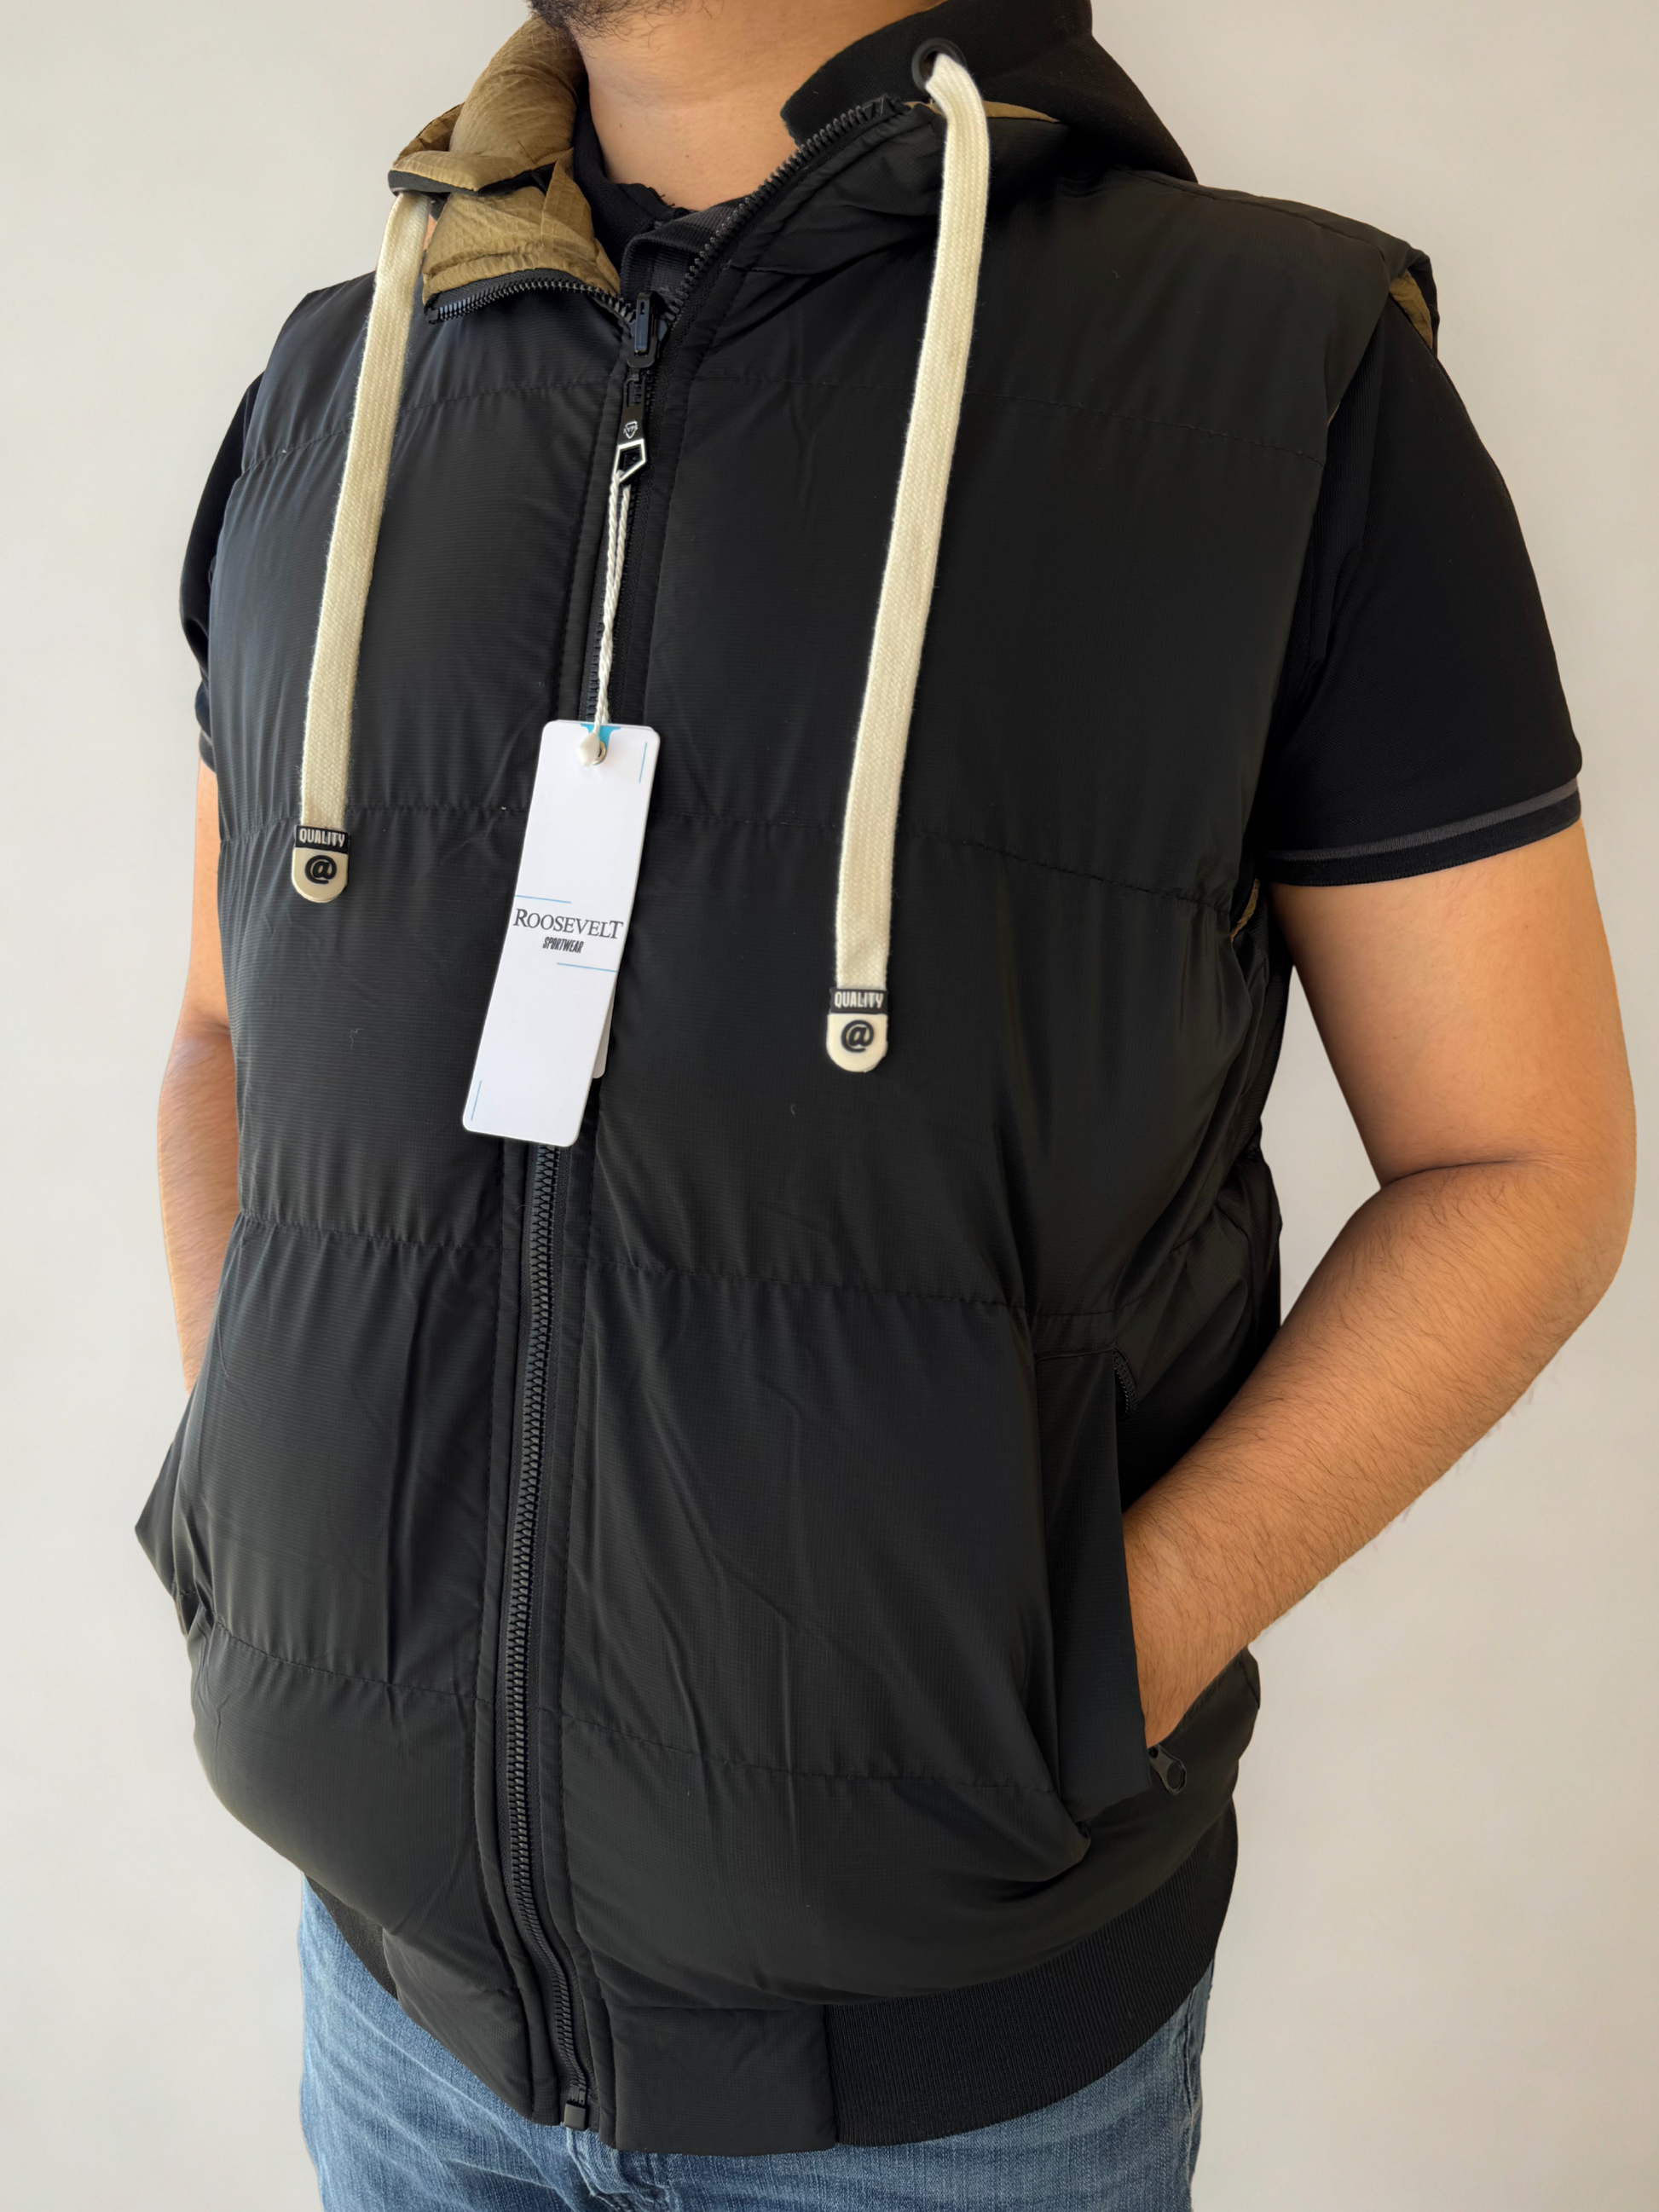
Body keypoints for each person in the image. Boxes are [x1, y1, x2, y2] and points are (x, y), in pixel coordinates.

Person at [147, 2, 1635, 2205]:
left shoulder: (1279, 375)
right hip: (393, 2020)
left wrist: (1074, 1680)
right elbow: (222, 1032)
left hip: (951, 2097)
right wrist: (269, 1518)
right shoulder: (335, 380)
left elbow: (1522, 1160)